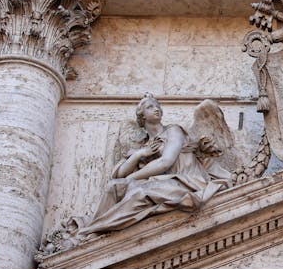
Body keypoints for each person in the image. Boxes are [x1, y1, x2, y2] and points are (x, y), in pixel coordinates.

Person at [75, 94, 231, 236]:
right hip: (163, 184)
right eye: (150, 106)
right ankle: (96, 230)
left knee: (139, 192)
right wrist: (140, 154)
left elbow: (165, 162)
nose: (156, 108)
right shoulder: (144, 146)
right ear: (142, 116)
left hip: (186, 182)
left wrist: (132, 178)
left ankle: (92, 230)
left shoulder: (173, 131)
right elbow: (118, 174)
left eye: (157, 106)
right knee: (113, 187)